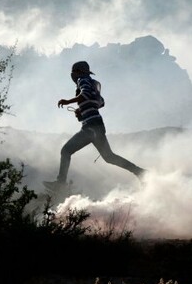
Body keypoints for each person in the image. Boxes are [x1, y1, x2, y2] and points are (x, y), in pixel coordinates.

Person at [44, 61, 145, 193]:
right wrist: (82, 110)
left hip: (90, 128)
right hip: (98, 126)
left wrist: (67, 101)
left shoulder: (83, 80)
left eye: (74, 72)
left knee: (66, 151)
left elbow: (85, 94)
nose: (73, 75)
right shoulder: (93, 84)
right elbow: (100, 102)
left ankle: (60, 183)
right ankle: (140, 172)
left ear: (78, 72)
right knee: (109, 157)